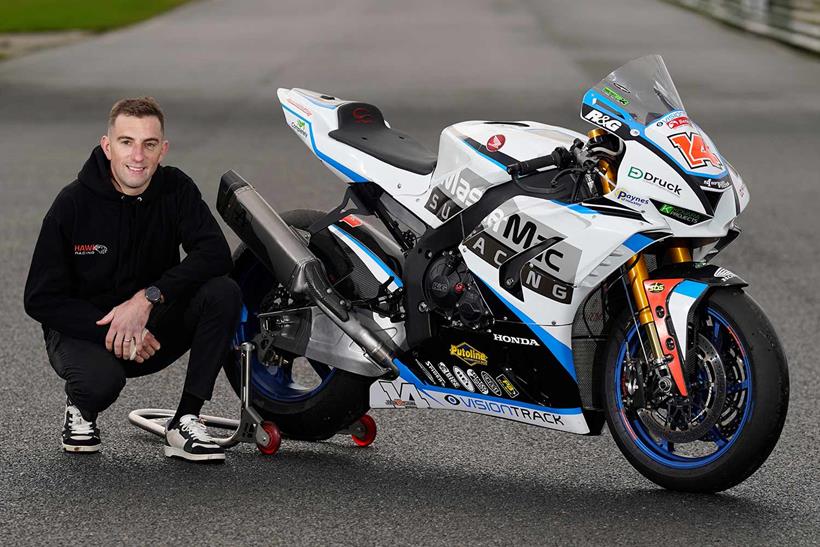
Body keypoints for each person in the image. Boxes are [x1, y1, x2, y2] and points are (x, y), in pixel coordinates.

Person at [24, 97, 241, 462]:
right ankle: (81, 408)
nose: (137, 156)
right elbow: (40, 299)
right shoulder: (72, 204)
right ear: (107, 146)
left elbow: (215, 255)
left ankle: (186, 419)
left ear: (162, 150)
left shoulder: (175, 189)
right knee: (98, 384)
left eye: (149, 144)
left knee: (223, 292)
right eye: (127, 142)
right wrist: (116, 329)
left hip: (153, 327)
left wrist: (148, 299)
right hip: (86, 332)